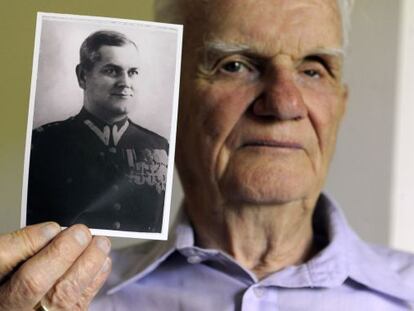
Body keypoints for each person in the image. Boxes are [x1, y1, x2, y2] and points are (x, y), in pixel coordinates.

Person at [0, 0, 413, 310]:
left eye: (314, 68)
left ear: (341, 103)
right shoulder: (59, 301)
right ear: (178, 98)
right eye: (234, 65)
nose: (285, 104)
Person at [27, 30, 169, 233]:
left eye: (132, 72)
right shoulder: (42, 143)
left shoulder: (160, 147)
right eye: (112, 71)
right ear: (83, 76)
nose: (125, 83)